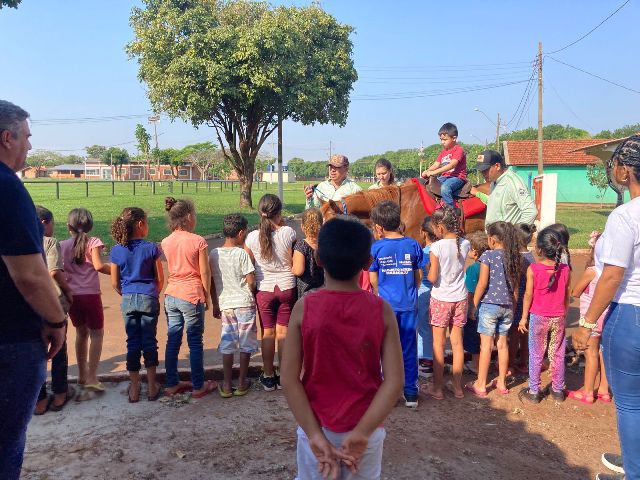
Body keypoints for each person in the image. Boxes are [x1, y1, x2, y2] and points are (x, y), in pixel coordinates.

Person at [281, 216, 403, 480]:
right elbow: (394, 382)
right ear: (368, 262)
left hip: (315, 426)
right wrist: (362, 433)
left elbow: (289, 379)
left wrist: (314, 434)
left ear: (318, 258)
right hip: (366, 430)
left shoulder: (305, 307)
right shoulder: (381, 310)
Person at [0, 100, 66, 480]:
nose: (29, 146)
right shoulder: (7, 188)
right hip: (8, 340)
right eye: (26, 137)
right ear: (6, 138)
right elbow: (29, 274)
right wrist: (55, 319)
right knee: (5, 446)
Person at [572, 135, 640, 480]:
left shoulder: (625, 216)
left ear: (626, 171)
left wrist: (586, 323)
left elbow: (612, 275)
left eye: (614, 164)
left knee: (630, 403)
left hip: (631, 313)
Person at [369, 201, 424, 408]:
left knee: (385, 349)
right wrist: (411, 291)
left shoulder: (377, 247)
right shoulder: (412, 245)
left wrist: (378, 293)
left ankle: (388, 392)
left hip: (385, 307)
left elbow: (373, 278)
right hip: (409, 305)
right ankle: (410, 392)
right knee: (408, 348)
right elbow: (418, 275)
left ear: (379, 227)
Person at [161, 197, 216, 398]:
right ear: (189, 217)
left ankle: (172, 383)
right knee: (195, 342)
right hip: (191, 294)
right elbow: (205, 272)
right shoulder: (198, 241)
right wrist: (207, 296)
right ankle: (199, 385)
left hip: (172, 294)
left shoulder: (166, 242)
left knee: (173, 340)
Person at [110, 207, 164, 403]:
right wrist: (152, 294)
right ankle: (151, 386)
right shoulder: (152, 248)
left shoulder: (117, 250)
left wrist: (126, 294)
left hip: (128, 298)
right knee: (149, 341)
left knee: (132, 342)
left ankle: (134, 386)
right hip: (148, 297)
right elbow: (160, 278)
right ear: (141, 224)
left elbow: (115, 282)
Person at [245, 194, 297, 391]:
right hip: (286, 287)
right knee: (283, 333)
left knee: (268, 333)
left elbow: (247, 263)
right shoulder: (288, 232)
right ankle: (284, 376)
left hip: (264, 289)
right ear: (279, 213)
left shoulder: (251, 237)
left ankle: (268, 376)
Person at [60, 208, 111, 400]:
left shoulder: (62, 245)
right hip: (90, 295)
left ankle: (81, 375)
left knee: (81, 333)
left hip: (73, 297)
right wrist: (118, 269)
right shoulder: (94, 242)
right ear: (90, 225)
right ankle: (91, 377)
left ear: (68, 226)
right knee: (97, 334)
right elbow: (99, 266)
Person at [468, 221, 522, 398]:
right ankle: (501, 382)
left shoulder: (488, 256)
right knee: (502, 344)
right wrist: (513, 307)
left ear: (491, 239)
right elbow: (514, 288)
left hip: (489, 306)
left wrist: (474, 305)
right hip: (507, 306)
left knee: (486, 346)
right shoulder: (514, 257)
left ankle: (481, 384)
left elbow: (482, 283)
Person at [518, 226, 571, 403]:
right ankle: (557, 390)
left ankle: (534, 391)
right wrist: (564, 313)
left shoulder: (533, 269)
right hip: (558, 316)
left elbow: (528, 295)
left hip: (538, 316)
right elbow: (567, 294)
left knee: (536, 353)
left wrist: (524, 317)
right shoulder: (565, 269)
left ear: (539, 249)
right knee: (557, 352)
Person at [425, 207, 471, 400]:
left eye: (435, 228)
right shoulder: (466, 244)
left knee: (438, 344)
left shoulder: (436, 247)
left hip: (441, 298)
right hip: (460, 297)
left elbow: (433, 277)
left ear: (440, 227)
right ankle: (458, 387)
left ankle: (437, 388)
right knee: (457, 343)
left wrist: (427, 269)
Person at [209, 214, 257, 398]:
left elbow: (213, 282)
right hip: (244, 303)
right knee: (246, 344)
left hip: (226, 305)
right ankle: (243, 382)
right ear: (241, 232)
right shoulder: (242, 253)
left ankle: (227, 384)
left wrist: (215, 303)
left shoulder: (214, 254)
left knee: (228, 343)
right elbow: (251, 281)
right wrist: (250, 289)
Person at [34, 206, 75, 415]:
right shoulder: (49, 242)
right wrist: (67, 291)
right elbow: (53, 272)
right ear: (43, 223)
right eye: (52, 223)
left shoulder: (19, 241)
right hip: (52, 304)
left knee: (37, 351)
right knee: (59, 349)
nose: (53, 227)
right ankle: (60, 393)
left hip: (29, 307)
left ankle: (39, 400)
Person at [568, 231, 610, 405]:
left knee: (590, 353)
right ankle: (604, 391)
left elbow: (575, 292)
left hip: (590, 319)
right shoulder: (612, 273)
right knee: (604, 354)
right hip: (608, 316)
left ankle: (587, 392)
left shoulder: (592, 271)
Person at [473, 150, 537, 227]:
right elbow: (493, 203)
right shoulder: (494, 183)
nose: (483, 174)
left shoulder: (512, 182)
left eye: (486, 170)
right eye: (481, 171)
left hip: (506, 237)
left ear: (497, 166)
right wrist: (477, 193)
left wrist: (516, 234)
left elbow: (530, 211)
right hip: (494, 237)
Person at [509, 223, 537, 375]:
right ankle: (523, 362)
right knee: (524, 333)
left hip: (519, 300)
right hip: (529, 300)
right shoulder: (531, 257)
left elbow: (515, 283)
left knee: (514, 333)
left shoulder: (518, 259)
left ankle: (511, 363)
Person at [421, 122, 467, 208]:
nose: (442, 142)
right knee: (429, 185)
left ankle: (450, 210)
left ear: (454, 138)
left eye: (445, 139)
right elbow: (436, 164)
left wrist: (434, 172)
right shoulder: (443, 151)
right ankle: (437, 204)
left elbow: (452, 165)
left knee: (445, 188)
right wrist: (427, 171)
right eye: (441, 139)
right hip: (444, 177)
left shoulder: (458, 150)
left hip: (457, 177)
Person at [462, 230, 489, 375]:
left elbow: (470, 292)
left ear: (475, 251)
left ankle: (475, 364)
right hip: (488, 307)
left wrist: (469, 308)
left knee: (473, 338)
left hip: (476, 309)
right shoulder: (491, 264)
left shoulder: (473, 269)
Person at [417, 217, 437, 378]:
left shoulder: (423, 252)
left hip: (424, 291)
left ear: (423, 233)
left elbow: (420, 275)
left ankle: (425, 360)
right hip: (439, 292)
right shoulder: (441, 250)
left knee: (423, 326)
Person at [291, 208, 325, 298]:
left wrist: (292, 268)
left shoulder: (301, 245)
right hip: (323, 288)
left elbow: (298, 271)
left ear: (302, 227)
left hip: (307, 290)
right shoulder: (325, 244)